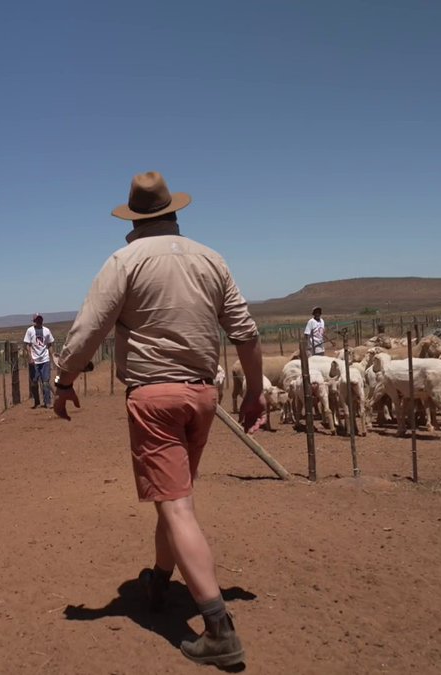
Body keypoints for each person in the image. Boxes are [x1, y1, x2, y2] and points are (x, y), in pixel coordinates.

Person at [53, 171, 265, 667]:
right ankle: (160, 581)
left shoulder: (123, 261)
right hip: (202, 397)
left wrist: (64, 381)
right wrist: (254, 392)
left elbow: (89, 329)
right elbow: (247, 334)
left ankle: (218, 628)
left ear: (133, 218)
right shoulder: (211, 258)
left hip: (153, 398)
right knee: (177, 498)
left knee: (175, 506)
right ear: (174, 212)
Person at [23, 313, 55, 408]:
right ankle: (37, 401)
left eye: (40, 319)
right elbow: (27, 345)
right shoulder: (30, 331)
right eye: (37, 319)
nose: (39, 321)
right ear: (34, 321)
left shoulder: (46, 330)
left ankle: (47, 402)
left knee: (45, 382)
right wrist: (30, 357)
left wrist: (52, 356)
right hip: (34, 361)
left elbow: (49, 344)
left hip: (45, 360)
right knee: (34, 382)